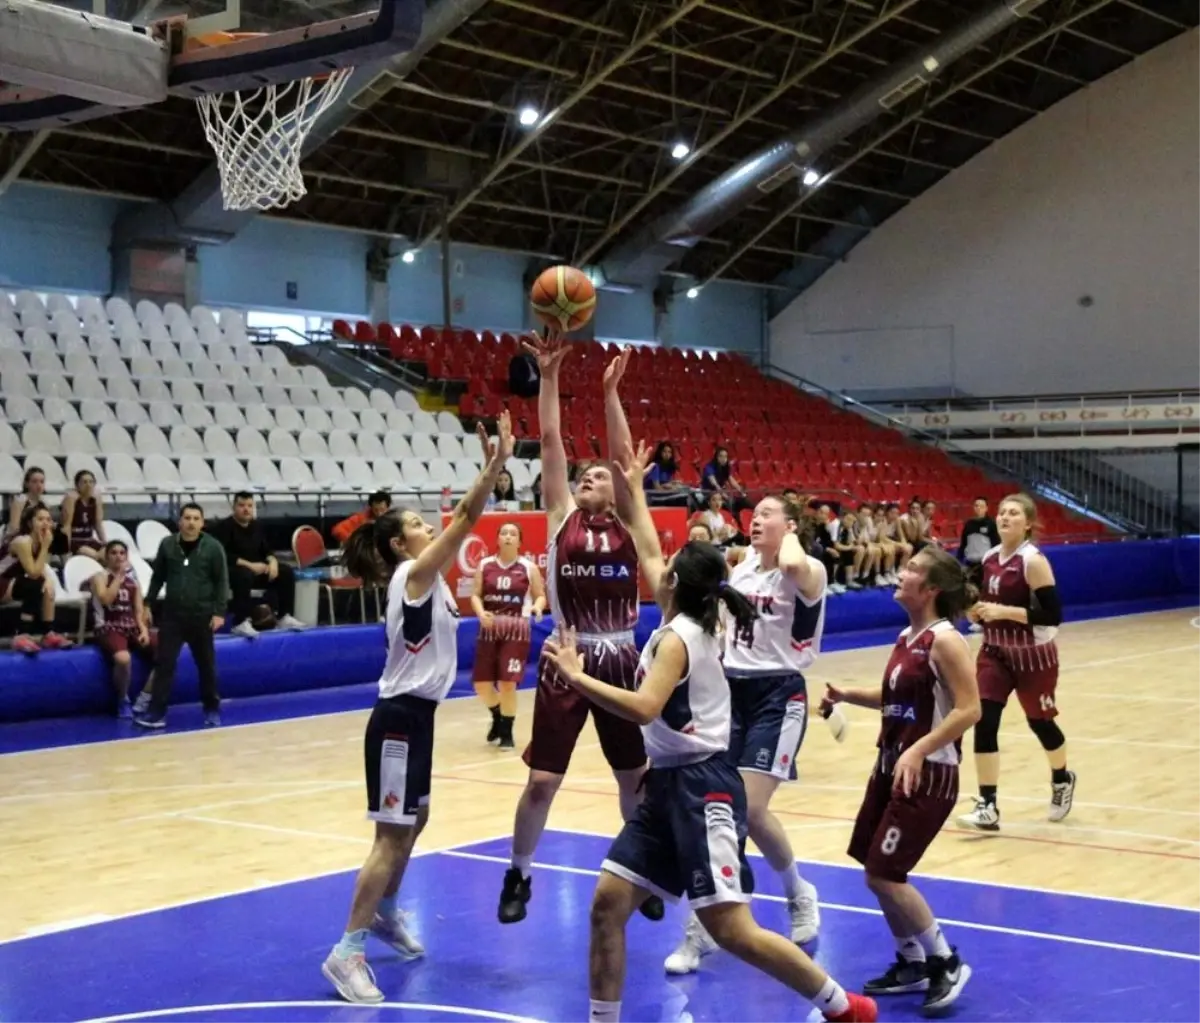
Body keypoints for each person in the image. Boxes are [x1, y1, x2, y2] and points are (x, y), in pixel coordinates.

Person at [543, 440, 877, 1023]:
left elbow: (646, 708)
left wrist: (575, 675)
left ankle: (841, 1005)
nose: (657, 562)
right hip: (666, 787)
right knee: (606, 904)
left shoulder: (681, 638)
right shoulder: (685, 615)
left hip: (702, 787)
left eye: (665, 564)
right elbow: (645, 538)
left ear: (672, 582)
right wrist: (634, 488)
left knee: (734, 931)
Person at [321, 414, 513, 1006]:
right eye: (414, 524)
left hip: (417, 718)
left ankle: (382, 912)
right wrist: (494, 465)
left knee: (416, 822)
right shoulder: (414, 572)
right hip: (399, 719)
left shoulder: (429, 581)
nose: (427, 526)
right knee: (389, 837)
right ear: (399, 545)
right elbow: (466, 520)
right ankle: (345, 952)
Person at [497, 340, 661, 927]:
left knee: (634, 780)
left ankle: (641, 867)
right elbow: (549, 443)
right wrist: (549, 377)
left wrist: (612, 394)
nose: (590, 477)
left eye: (599, 475)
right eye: (584, 474)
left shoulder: (632, 525)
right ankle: (518, 872)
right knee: (542, 780)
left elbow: (621, 456)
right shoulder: (560, 518)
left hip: (620, 657)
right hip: (569, 657)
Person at [664, 493, 827, 974]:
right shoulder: (742, 568)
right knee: (722, 810)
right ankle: (705, 925)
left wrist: (790, 534)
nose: (754, 521)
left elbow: (794, 562)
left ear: (790, 525)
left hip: (779, 694)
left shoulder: (807, 568)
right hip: (731, 692)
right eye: (752, 516)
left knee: (750, 809)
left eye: (766, 516)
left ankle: (798, 892)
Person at [822, 546, 981, 1015]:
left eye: (911, 569)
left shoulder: (946, 641)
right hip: (890, 767)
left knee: (887, 874)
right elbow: (895, 699)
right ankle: (911, 962)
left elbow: (970, 708)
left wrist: (918, 748)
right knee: (873, 870)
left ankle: (944, 959)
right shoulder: (906, 637)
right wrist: (848, 694)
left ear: (931, 589)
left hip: (927, 774)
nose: (902, 572)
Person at [958, 493, 1072, 831]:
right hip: (994, 652)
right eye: (1002, 512)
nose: (1005, 517)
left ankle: (1062, 777)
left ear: (1028, 523)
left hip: (1032, 656)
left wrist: (1005, 611)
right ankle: (988, 804)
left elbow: (1053, 615)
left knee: (1040, 723)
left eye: (1013, 513)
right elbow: (978, 600)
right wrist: (973, 608)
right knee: (985, 719)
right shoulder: (991, 557)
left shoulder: (1033, 561)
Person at [135, 504, 228, 730]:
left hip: (202, 615)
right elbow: (157, 577)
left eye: (196, 518)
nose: (191, 522)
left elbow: (222, 582)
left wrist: (219, 612)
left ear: (202, 523)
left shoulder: (214, 548)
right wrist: (148, 603)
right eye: (187, 518)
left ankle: (212, 708)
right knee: (164, 664)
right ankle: (157, 712)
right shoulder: (168, 545)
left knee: (206, 665)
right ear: (180, 522)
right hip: (173, 616)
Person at [471, 521, 546, 749]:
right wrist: (480, 611)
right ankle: (496, 715)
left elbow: (540, 595)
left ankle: (506, 731)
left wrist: (537, 608)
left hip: (516, 628)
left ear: (520, 541)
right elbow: (475, 595)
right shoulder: (484, 565)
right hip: (490, 627)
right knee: (482, 684)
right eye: (503, 533)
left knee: (507, 683)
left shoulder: (528, 567)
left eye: (513, 534)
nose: (507, 537)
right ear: (497, 539)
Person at [209, 491, 304, 637]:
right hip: (233, 571)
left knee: (285, 571)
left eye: (249, 505)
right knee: (243, 575)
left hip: (257, 570)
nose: (246, 509)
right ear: (234, 507)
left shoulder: (257, 526)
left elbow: (266, 549)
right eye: (241, 505)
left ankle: (284, 616)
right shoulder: (224, 527)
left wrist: (272, 562)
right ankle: (240, 622)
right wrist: (250, 565)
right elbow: (221, 555)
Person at [88, 539, 154, 718]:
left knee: (168, 652)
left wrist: (143, 630)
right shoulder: (99, 577)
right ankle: (122, 698)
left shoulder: (133, 583)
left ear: (127, 556)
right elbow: (105, 600)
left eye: (122, 553)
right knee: (123, 659)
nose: (118, 556)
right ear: (106, 557)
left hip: (130, 626)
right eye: (114, 553)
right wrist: (118, 577)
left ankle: (146, 696)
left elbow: (139, 610)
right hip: (108, 626)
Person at [0, 503, 72, 653]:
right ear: (29, 523)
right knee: (34, 582)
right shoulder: (23, 541)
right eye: (40, 519)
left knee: (47, 586)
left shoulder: (40, 541)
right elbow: (33, 573)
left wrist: (48, 580)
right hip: (3, 582)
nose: (46, 523)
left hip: (8, 583)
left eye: (48, 519)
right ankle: (21, 635)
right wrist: (46, 546)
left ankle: (49, 633)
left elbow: (41, 568)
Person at [60, 469, 106, 560]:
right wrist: (66, 548)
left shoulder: (96, 498)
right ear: (77, 485)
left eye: (91, 482)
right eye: (84, 482)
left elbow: (98, 524)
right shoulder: (71, 498)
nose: (88, 485)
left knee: (110, 554)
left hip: (89, 539)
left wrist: (105, 542)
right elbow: (66, 526)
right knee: (95, 556)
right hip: (75, 540)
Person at [957, 497, 1000, 586]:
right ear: (973, 508)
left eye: (981, 506)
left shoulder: (991, 524)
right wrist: (958, 559)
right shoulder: (968, 524)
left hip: (985, 564)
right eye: (976, 506)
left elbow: (996, 544)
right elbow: (964, 543)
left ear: (986, 508)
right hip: (970, 563)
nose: (979, 508)